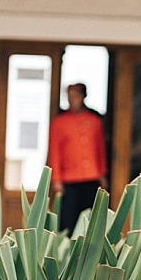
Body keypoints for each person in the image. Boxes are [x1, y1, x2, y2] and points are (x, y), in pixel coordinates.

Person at [47, 82, 106, 232]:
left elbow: (99, 150)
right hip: (68, 178)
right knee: (68, 220)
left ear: (83, 97)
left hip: (90, 177)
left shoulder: (94, 122)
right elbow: (54, 151)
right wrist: (56, 179)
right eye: (70, 96)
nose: (73, 99)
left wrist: (101, 174)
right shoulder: (59, 122)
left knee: (89, 217)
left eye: (76, 96)